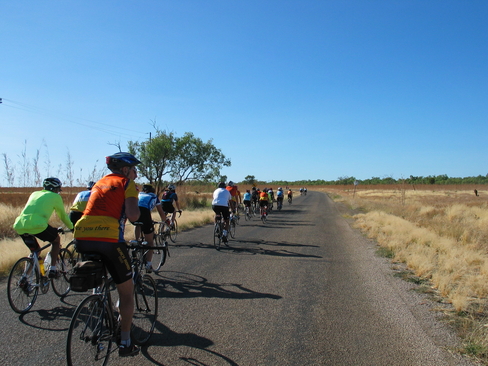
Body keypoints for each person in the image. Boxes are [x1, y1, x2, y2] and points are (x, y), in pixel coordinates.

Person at [73, 152, 141, 357]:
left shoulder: (99, 183)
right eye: (133, 169)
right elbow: (133, 215)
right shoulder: (126, 184)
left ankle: (100, 298)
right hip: (110, 240)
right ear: (125, 170)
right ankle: (126, 343)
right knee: (127, 293)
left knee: (102, 272)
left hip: (82, 236)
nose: (134, 173)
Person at [13, 177, 74, 278]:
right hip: (38, 226)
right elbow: (62, 215)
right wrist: (72, 227)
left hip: (20, 225)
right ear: (54, 189)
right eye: (58, 190)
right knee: (56, 241)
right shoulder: (55, 197)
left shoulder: (34, 194)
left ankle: (25, 278)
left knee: (35, 251)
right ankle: (52, 270)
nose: (58, 192)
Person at [133, 184, 165, 272]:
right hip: (145, 214)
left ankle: (137, 241)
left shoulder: (139, 194)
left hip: (133, 213)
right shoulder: (154, 196)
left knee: (138, 224)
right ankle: (148, 264)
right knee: (150, 242)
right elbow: (161, 212)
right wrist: (165, 221)